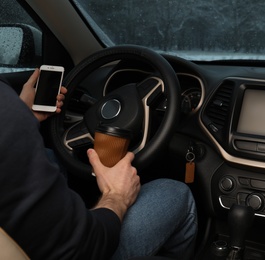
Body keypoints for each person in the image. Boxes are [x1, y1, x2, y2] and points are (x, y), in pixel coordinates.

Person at [0, 69, 197, 259]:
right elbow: (83, 247)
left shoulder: (10, 114)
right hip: (80, 249)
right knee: (175, 193)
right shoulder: (6, 112)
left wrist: (24, 115)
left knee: (52, 156)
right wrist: (116, 196)